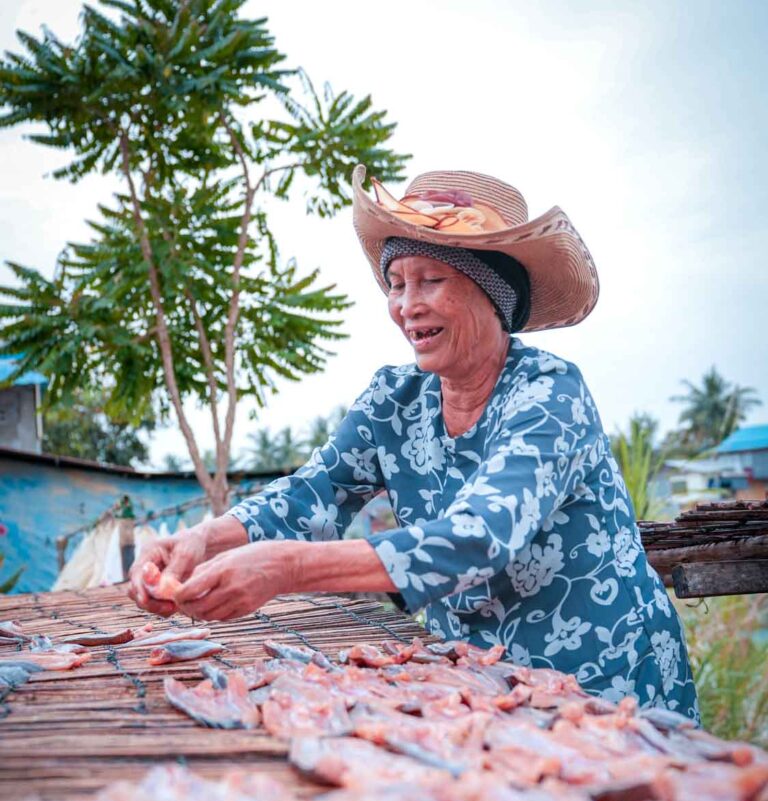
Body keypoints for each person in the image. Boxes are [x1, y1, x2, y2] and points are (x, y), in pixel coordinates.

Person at [129, 165, 699, 720]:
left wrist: (288, 568)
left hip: (604, 688)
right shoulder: (394, 398)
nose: (406, 306)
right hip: (478, 689)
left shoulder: (550, 393)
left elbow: (479, 536)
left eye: (432, 280)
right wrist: (202, 539)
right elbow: (311, 496)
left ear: (491, 292)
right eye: (396, 284)